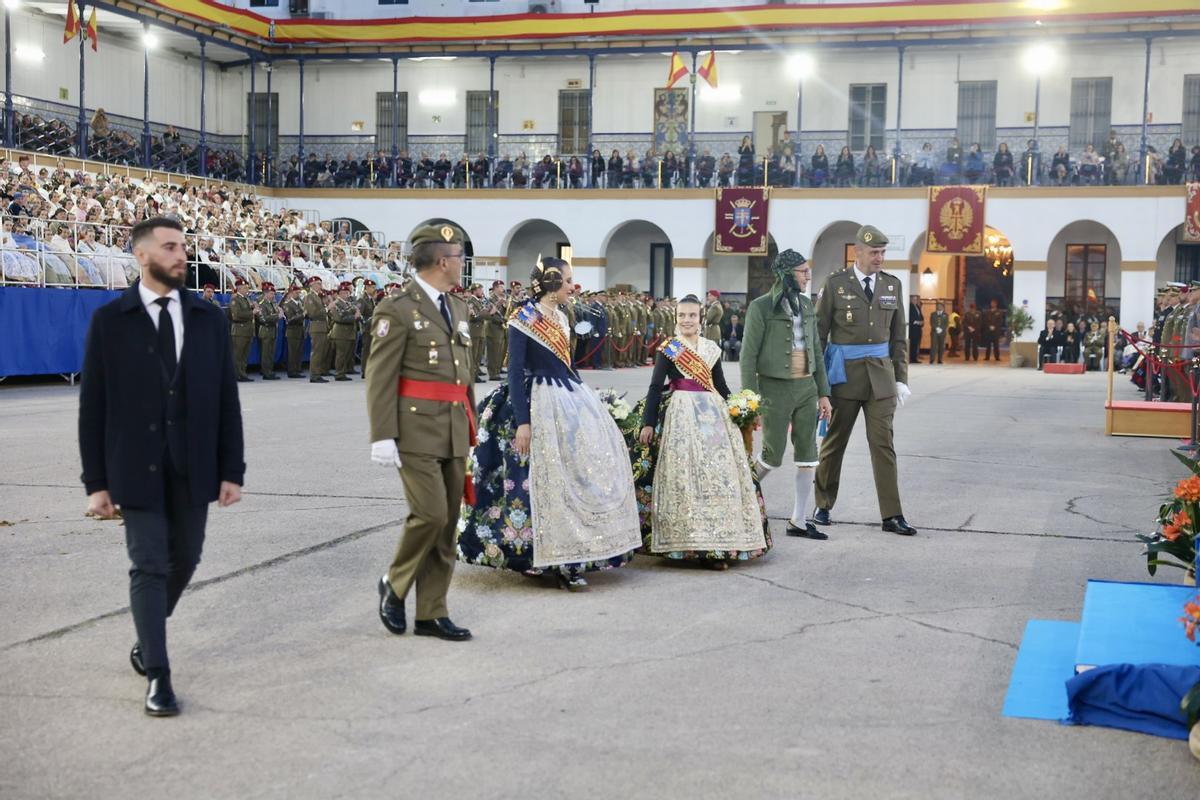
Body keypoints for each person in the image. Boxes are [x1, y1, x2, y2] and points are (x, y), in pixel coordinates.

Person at [79, 216, 245, 716]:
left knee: (186, 558)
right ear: (141, 255)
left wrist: (231, 469)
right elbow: (94, 408)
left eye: (183, 246)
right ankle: (158, 673)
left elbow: (226, 401)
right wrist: (96, 484)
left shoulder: (209, 319)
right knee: (148, 563)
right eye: (170, 247)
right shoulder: (111, 321)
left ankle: (146, 636)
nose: (181, 255)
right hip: (135, 468)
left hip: (193, 465)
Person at [457, 257, 641, 590]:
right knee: (533, 480)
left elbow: (566, 364)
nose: (573, 286)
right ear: (553, 286)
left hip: (566, 396)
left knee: (572, 474)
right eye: (568, 281)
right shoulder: (522, 318)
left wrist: (588, 400)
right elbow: (514, 371)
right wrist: (523, 422)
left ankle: (572, 552)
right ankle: (536, 556)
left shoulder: (561, 315)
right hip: (533, 400)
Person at [366, 224, 475, 641]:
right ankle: (394, 583)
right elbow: (379, 376)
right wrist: (381, 434)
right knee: (429, 514)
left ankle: (432, 612)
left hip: (453, 428)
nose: (462, 264)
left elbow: (464, 377)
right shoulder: (397, 308)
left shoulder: (458, 308)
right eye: (459, 256)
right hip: (413, 429)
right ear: (442, 260)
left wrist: (472, 424)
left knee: (447, 526)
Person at [634, 295, 770, 567]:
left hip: (713, 417)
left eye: (692, 316)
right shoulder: (669, 348)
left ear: (701, 318)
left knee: (717, 474)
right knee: (684, 476)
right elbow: (654, 387)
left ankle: (719, 545)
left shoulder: (711, 349)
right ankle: (686, 545)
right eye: (682, 315)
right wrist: (648, 422)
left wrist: (741, 409)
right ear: (676, 318)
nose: (687, 320)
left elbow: (719, 385)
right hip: (680, 416)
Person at [812, 225, 916, 536]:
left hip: (881, 378)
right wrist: (819, 386)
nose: (879, 257)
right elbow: (819, 335)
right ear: (857, 253)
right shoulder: (835, 285)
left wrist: (901, 378)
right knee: (834, 443)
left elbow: (899, 338)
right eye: (874, 252)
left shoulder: (891, 286)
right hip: (843, 376)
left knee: (883, 445)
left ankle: (892, 514)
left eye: (883, 252)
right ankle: (823, 505)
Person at [741, 250, 833, 539]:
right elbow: (748, 357)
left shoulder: (806, 306)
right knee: (772, 455)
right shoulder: (761, 307)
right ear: (785, 274)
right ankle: (741, 502)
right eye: (802, 271)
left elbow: (816, 350)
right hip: (775, 388)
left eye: (808, 271)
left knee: (808, 455)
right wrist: (750, 400)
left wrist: (823, 392)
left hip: (806, 387)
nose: (808, 276)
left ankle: (799, 520)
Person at [329, 281, 359, 381]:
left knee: (346, 354)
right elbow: (339, 318)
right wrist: (354, 317)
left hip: (348, 332)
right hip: (341, 332)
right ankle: (339, 373)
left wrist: (356, 315)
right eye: (343, 293)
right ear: (338, 294)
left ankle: (343, 371)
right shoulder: (336, 303)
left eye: (347, 293)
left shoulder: (348, 303)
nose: (345, 295)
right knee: (341, 354)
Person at [304, 275, 330, 383]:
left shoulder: (317, 296)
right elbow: (313, 313)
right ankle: (314, 375)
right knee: (317, 352)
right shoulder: (310, 297)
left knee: (321, 352)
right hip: (316, 326)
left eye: (320, 283)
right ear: (312, 285)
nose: (320, 286)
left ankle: (318, 373)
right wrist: (327, 308)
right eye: (318, 284)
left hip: (322, 327)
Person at [228, 278, 255, 382]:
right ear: (239, 288)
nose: (247, 289)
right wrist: (252, 313)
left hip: (247, 330)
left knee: (245, 355)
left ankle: (242, 373)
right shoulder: (235, 299)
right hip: (239, 330)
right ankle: (236, 375)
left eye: (247, 287)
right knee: (237, 355)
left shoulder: (246, 299)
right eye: (245, 288)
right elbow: (236, 315)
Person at [255, 282, 281, 380]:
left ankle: (270, 371)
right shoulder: (262, 304)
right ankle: (266, 372)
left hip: (272, 330)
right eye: (271, 294)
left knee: (271, 353)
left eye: (273, 294)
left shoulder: (272, 304)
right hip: (265, 331)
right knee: (265, 353)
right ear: (265, 294)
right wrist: (276, 316)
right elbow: (263, 319)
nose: (273, 295)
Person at [483, 280, 507, 381]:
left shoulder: (502, 298)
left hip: (501, 327)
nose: (503, 289)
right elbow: (488, 314)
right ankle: (493, 373)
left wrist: (505, 307)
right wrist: (498, 304)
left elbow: (505, 312)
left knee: (499, 351)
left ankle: (497, 370)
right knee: (493, 352)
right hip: (492, 328)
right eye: (501, 287)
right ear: (496, 288)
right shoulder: (490, 299)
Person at [281, 284, 306, 378]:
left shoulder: (299, 303)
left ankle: (297, 369)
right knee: (293, 352)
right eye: (296, 293)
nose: (298, 294)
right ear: (291, 293)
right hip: (293, 331)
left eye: (299, 292)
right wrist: (302, 315)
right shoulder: (288, 305)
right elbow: (290, 319)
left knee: (299, 351)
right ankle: (292, 371)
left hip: (300, 330)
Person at [908, 293, 924, 363]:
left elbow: (921, 316)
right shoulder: (910, 307)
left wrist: (921, 322)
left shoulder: (917, 306)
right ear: (911, 299)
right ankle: (912, 358)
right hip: (913, 329)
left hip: (918, 329)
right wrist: (916, 322)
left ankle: (915, 358)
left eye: (916, 299)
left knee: (916, 344)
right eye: (914, 299)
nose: (915, 300)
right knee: (913, 344)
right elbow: (910, 317)